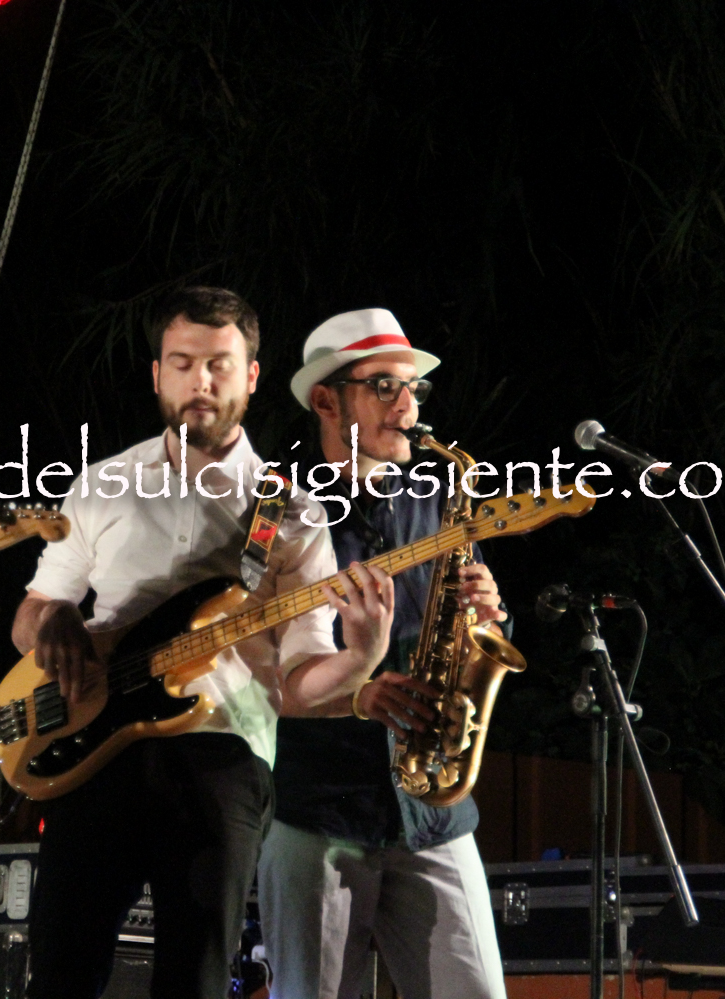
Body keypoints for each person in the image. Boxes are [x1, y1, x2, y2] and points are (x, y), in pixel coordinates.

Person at [11, 287, 397, 999]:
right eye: (183, 363)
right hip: (94, 753)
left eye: (219, 364)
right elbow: (32, 614)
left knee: (195, 980)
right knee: (60, 974)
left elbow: (296, 686)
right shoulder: (102, 484)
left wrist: (360, 657)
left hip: (221, 759)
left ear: (250, 376)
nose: (201, 382)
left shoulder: (290, 513)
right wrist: (51, 619)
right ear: (157, 373)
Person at [259, 308, 509, 999]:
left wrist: (489, 613)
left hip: (433, 811)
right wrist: (356, 691)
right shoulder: (272, 512)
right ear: (324, 401)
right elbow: (250, 659)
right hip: (319, 811)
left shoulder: (439, 501)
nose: (408, 406)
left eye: (413, 388)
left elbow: (467, 634)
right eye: (383, 386)